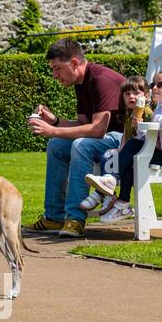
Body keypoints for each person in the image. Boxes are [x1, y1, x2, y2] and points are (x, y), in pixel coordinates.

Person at [25, 37, 126, 238]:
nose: (54, 75)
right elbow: (83, 125)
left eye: (57, 68)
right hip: (106, 139)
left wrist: (51, 130)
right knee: (56, 145)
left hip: (127, 141)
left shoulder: (101, 79)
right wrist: (55, 121)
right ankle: (54, 216)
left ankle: (75, 218)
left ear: (73, 63)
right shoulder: (81, 82)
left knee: (80, 145)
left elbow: (97, 129)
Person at [86, 70, 162, 223]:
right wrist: (148, 124)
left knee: (133, 147)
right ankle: (122, 201)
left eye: (159, 85)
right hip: (159, 153)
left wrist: (158, 119)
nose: (154, 88)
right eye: (153, 84)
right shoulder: (160, 108)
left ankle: (109, 183)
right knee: (130, 156)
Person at [76, 74, 153, 218]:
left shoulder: (147, 113)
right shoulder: (129, 113)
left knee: (117, 157)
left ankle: (101, 192)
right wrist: (119, 149)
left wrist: (142, 124)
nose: (132, 97)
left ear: (147, 96)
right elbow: (126, 134)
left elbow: (148, 136)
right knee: (109, 154)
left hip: (145, 152)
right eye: (127, 94)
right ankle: (108, 193)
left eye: (136, 93)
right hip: (130, 151)